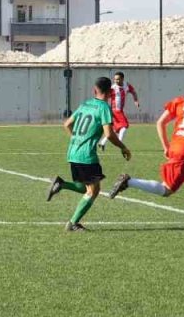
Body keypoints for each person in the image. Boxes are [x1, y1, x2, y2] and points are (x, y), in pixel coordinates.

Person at [108, 70, 184, 238]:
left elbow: (160, 123)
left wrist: (166, 146)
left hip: (178, 148)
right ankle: (129, 182)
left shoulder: (182, 100)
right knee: (166, 190)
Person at [47, 77, 132, 232]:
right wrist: (123, 147)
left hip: (73, 152)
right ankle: (73, 223)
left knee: (84, 186)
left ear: (94, 90)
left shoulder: (85, 104)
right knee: (93, 190)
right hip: (86, 156)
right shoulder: (104, 108)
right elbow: (110, 134)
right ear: (111, 92)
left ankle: (61, 184)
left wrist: (77, 139)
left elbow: (66, 124)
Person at [98, 71, 140, 151]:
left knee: (115, 129)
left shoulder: (126, 85)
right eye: (115, 79)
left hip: (119, 111)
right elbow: (105, 97)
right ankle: (120, 143)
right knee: (124, 126)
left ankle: (102, 143)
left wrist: (136, 100)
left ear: (122, 79)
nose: (116, 81)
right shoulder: (113, 88)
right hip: (115, 111)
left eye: (118, 79)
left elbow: (133, 92)